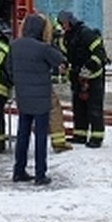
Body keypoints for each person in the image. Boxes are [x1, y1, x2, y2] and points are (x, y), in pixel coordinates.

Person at [7, 13, 67, 185]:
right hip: (41, 98)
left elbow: (9, 69)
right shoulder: (43, 48)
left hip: (23, 97)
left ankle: (19, 171)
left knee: (22, 134)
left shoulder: (14, 45)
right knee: (40, 136)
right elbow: (60, 60)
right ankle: (40, 174)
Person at [59, 9, 108, 148]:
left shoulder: (86, 34)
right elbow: (66, 54)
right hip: (77, 75)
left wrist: (88, 68)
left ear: (70, 21)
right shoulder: (67, 37)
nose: (62, 27)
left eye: (64, 24)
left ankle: (96, 137)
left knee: (94, 108)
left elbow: (100, 54)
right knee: (78, 107)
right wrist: (64, 64)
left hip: (93, 76)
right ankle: (80, 135)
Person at [44, 16, 74, 152]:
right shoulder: (45, 47)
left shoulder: (18, 45)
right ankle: (59, 143)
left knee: (26, 116)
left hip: (23, 88)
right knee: (54, 109)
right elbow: (59, 59)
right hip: (42, 85)